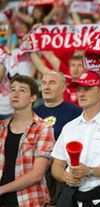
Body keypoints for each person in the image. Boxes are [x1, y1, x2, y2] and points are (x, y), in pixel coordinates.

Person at [51, 71, 100, 206]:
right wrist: (66, 177)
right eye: (79, 90)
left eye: (87, 89)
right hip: (71, 197)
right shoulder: (69, 127)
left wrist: (90, 172)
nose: (81, 94)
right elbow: (57, 165)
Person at [0, 75, 55, 206]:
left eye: (22, 90)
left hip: (29, 201)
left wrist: (2, 189)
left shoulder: (43, 128)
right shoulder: (1, 127)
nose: (15, 94)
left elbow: (37, 174)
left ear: (33, 98)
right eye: (13, 89)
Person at [33, 71, 82, 205]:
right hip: (37, 170)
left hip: (63, 171)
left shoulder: (76, 112)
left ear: (63, 88)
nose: (46, 87)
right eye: (44, 83)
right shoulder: (33, 112)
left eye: (52, 83)